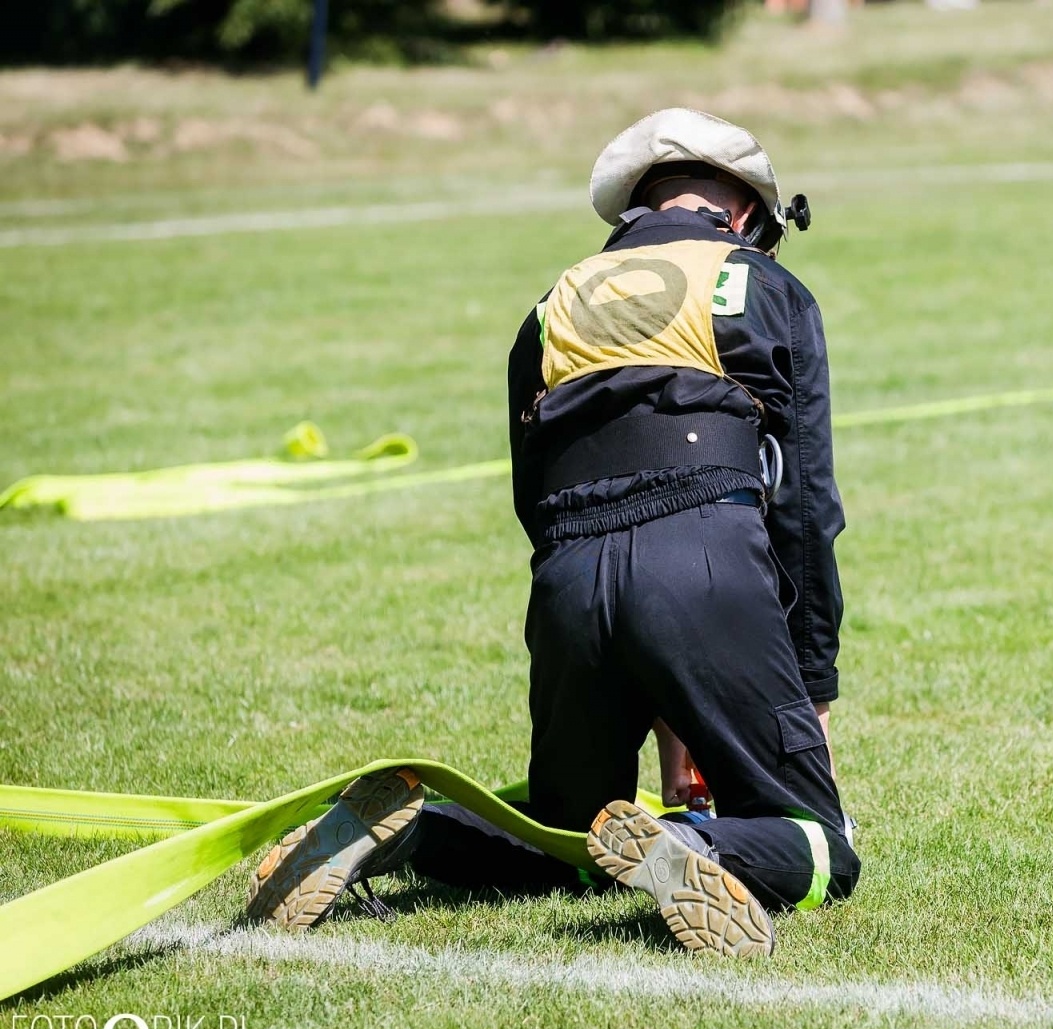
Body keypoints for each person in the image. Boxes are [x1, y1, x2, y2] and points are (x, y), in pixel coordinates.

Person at [246, 109, 860, 959]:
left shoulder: (551, 305)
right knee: (821, 844)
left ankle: (413, 831)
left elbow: (532, 496)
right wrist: (811, 683)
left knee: (568, 837)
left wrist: (637, 652)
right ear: (748, 212)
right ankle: (691, 843)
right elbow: (803, 504)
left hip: (569, 577)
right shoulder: (761, 285)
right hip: (704, 559)